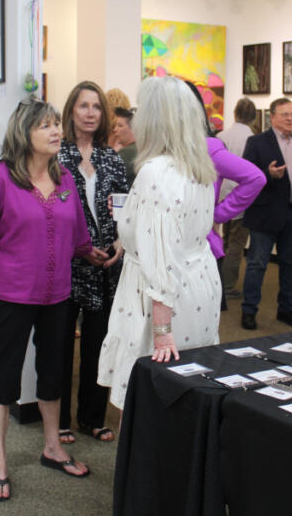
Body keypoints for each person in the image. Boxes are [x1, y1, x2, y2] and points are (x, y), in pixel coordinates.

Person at [0, 99, 98, 501]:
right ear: (24, 133)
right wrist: (4, 281)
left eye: (57, 125)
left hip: (58, 297)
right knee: (6, 376)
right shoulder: (1, 179)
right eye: (46, 126)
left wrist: (95, 253)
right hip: (13, 297)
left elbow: (79, 236)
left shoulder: (66, 178)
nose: (56, 132)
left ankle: (52, 448)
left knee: (54, 372)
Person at [97, 76, 221, 407]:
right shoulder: (199, 168)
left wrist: (162, 331)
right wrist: (129, 230)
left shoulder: (156, 172)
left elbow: (161, 259)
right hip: (199, 287)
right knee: (188, 391)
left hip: (157, 300)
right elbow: (175, 233)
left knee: (147, 401)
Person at [57, 81, 129, 444]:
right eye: (83, 106)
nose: (90, 113)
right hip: (66, 266)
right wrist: (80, 247)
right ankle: (60, 421)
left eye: (96, 107)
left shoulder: (111, 158)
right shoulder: (56, 158)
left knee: (99, 343)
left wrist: (120, 242)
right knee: (60, 346)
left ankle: (92, 417)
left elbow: (124, 209)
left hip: (106, 265)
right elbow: (49, 216)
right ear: (71, 111)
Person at [182, 82, 266, 311]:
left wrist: (216, 214)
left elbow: (255, 178)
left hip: (201, 248)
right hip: (173, 252)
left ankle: (227, 286)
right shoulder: (165, 149)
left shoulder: (210, 146)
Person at [241, 98, 292, 330]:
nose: (289, 119)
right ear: (272, 117)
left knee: (290, 264)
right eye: (284, 114)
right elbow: (246, 175)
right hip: (265, 214)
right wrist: (268, 174)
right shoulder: (257, 143)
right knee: (257, 264)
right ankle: (249, 311)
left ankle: (286, 309)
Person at [217, 98, 259, 298]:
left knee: (223, 240)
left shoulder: (221, 135)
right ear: (253, 117)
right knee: (236, 243)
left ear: (234, 113)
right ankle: (227, 286)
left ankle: (218, 279)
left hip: (221, 194)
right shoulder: (252, 138)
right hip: (241, 198)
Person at [111, 107, 137, 187]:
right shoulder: (141, 149)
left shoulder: (126, 153)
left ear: (133, 129)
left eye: (120, 126)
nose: (115, 129)